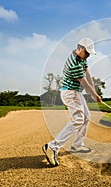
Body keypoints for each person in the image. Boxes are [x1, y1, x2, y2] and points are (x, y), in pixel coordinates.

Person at [42, 38, 102, 167]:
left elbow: (88, 74)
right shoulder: (74, 63)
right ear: (79, 48)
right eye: (87, 52)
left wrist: (94, 92)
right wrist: (94, 95)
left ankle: (77, 145)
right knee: (78, 120)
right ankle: (52, 147)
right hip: (70, 93)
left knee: (86, 118)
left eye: (90, 53)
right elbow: (84, 83)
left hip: (76, 92)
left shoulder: (81, 57)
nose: (88, 55)